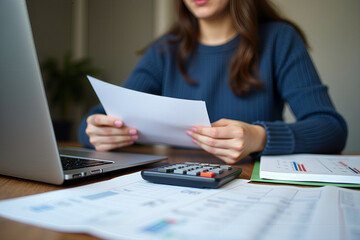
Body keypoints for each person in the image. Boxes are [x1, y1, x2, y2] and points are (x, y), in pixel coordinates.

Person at [78, 0, 347, 164]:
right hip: (175, 188)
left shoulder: (280, 39)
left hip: (251, 187)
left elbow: (331, 128)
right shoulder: (164, 50)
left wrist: (260, 137)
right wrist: (94, 129)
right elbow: (102, 116)